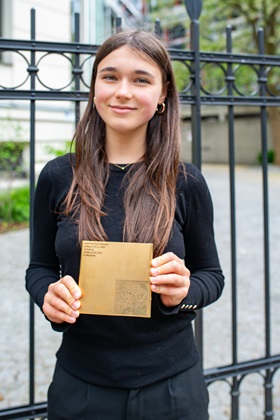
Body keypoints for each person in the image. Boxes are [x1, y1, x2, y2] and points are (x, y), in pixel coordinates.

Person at [26, 30, 224, 420]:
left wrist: (183, 292)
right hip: (80, 387)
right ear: (95, 86)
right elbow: (40, 268)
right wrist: (48, 296)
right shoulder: (56, 176)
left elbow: (211, 276)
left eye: (141, 79)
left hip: (171, 389)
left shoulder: (187, 182)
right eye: (110, 76)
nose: (123, 92)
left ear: (163, 94)